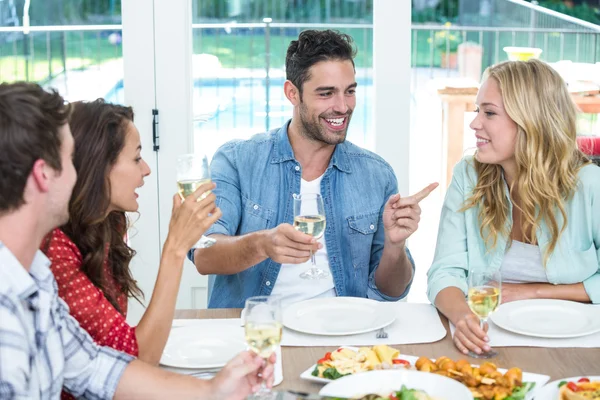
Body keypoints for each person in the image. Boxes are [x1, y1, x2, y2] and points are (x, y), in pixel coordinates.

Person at [0, 82, 274, 399]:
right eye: (69, 158)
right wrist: (174, 250)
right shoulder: (7, 323)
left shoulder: (36, 277)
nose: (77, 172)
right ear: (43, 175)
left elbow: (96, 367)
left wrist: (214, 389)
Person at [190, 29, 438, 308]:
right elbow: (204, 254)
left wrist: (395, 246)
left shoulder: (376, 174)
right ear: (292, 93)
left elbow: (392, 292)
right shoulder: (237, 160)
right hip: (259, 332)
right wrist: (262, 244)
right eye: (326, 93)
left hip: (344, 335)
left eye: (350, 91)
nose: (343, 107)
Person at [427, 59, 600, 356]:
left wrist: (531, 292)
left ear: (531, 121)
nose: (474, 123)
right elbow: (445, 270)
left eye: (489, 113)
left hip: (578, 342)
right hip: (491, 336)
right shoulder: (469, 175)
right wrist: (462, 317)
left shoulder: (589, 185)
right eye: (477, 110)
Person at [41, 99, 221, 376]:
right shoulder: (57, 251)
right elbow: (138, 359)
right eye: (136, 158)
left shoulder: (105, 225)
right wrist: (175, 249)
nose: (146, 169)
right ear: (98, 166)